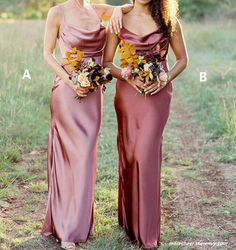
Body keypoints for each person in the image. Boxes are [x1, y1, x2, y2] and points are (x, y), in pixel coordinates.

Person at [41, 0, 132, 249]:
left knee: (86, 157)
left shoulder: (99, 9)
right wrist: (71, 82)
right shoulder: (57, 12)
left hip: (93, 95)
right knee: (70, 157)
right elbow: (47, 54)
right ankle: (67, 229)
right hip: (68, 92)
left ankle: (80, 222)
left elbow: (129, 7)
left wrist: (115, 12)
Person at [103, 0, 188, 248]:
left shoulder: (169, 21)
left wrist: (165, 77)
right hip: (128, 95)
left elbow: (182, 59)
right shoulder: (118, 19)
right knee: (129, 156)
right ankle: (130, 223)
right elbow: (108, 62)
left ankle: (147, 233)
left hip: (157, 94)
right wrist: (127, 77)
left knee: (145, 156)